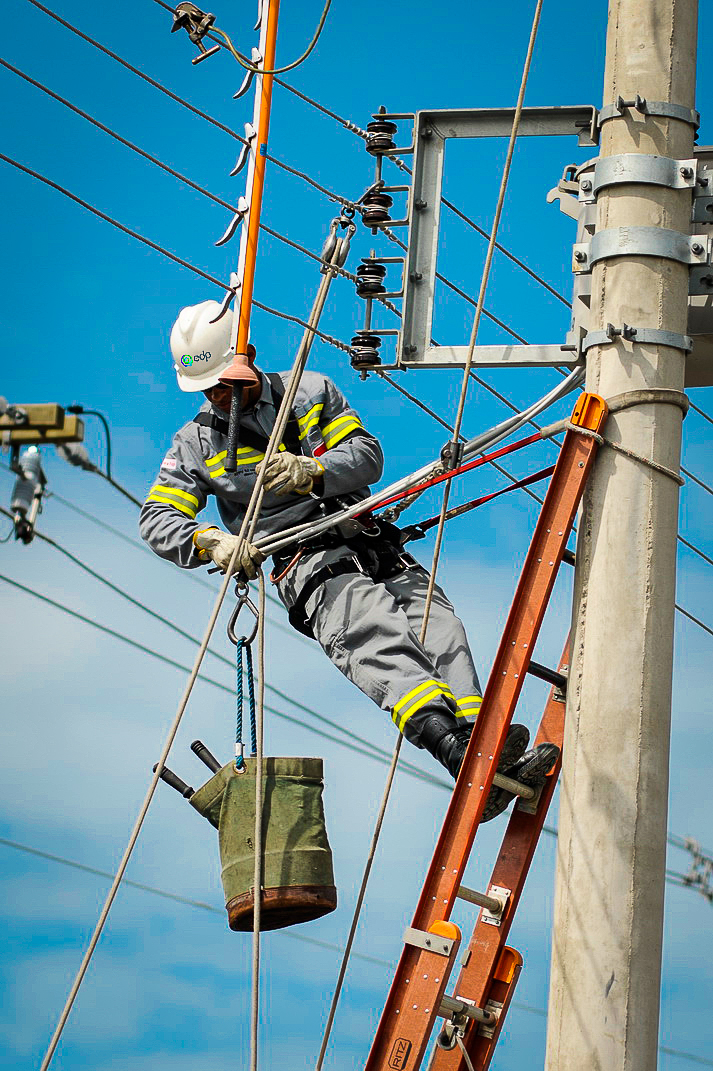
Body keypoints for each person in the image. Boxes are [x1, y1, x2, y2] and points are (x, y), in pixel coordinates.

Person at [140, 300, 558, 819]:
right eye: (207, 389)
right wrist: (212, 542)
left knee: (442, 629)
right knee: (374, 632)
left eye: (224, 383)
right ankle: (454, 751)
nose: (217, 397)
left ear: (245, 357)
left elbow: (367, 459)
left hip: (369, 537)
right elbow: (157, 518)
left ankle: (479, 747)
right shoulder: (195, 445)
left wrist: (311, 472)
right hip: (309, 561)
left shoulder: (310, 392)